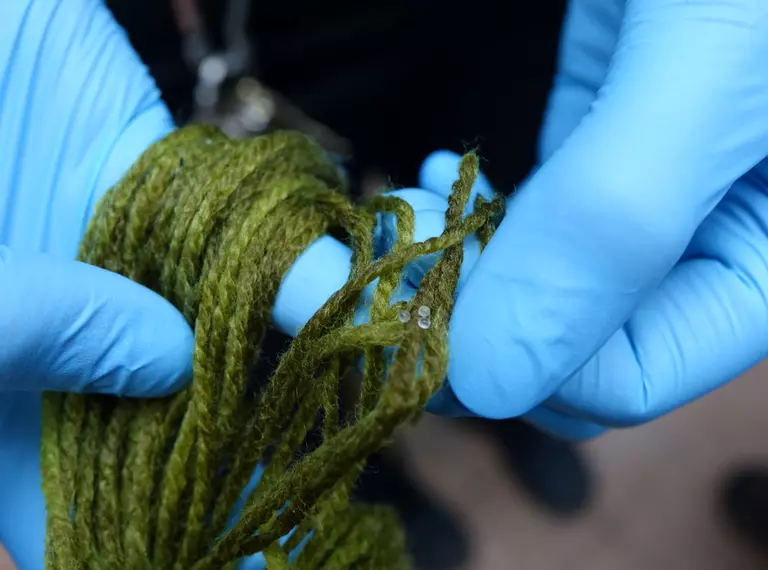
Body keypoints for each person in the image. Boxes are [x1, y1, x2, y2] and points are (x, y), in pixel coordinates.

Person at [1, 0, 767, 568]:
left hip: (431, 22)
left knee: (501, 216)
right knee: (274, 307)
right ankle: (366, 467)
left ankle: (503, 409)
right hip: (147, 35)